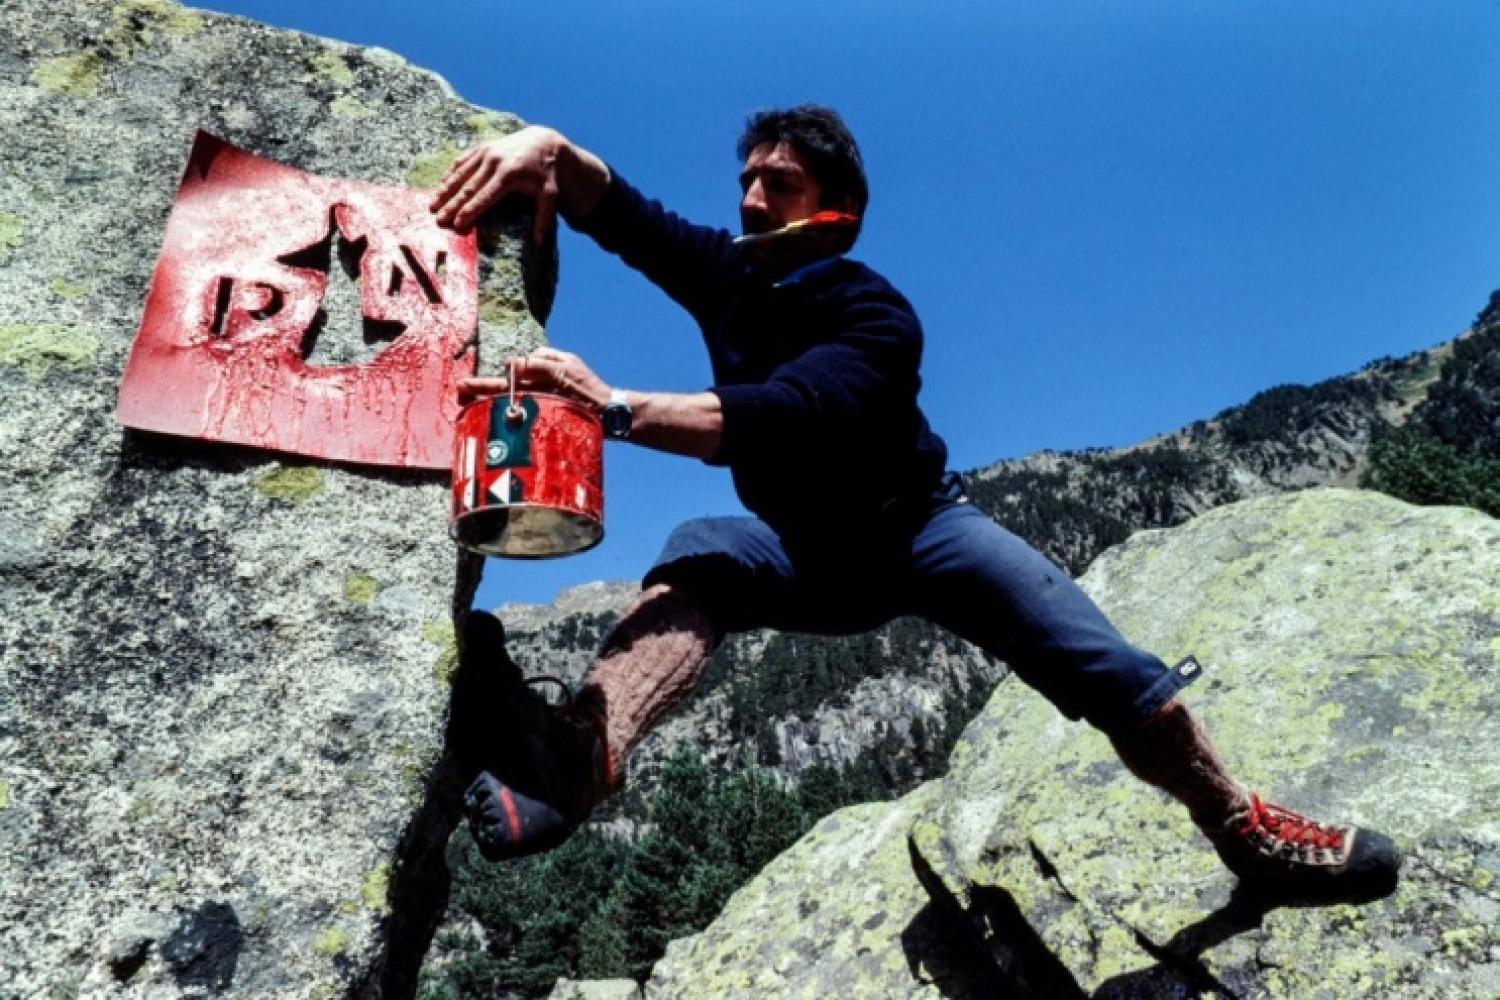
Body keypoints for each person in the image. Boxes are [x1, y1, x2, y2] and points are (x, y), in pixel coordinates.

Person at [429, 106, 1400, 901]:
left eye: (782, 184)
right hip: (805, 550)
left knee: (1103, 662)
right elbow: (620, 209)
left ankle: (1242, 826)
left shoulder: (873, 313)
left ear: (838, 208)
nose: (753, 197)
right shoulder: (729, 280)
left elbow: (790, 413)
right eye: (749, 181)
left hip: (921, 532)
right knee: (699, 552)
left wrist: (617, 409)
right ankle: (577, 758)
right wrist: (544, 150)